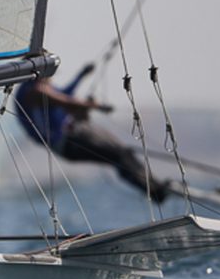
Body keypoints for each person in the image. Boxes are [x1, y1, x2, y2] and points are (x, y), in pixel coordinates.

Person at [14, 63, 169, 202]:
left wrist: (81, 75)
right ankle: (155, 191)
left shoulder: (39, 89)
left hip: (72, 138)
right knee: (119, 156)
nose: (52, 78)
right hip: (68, 143)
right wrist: (95, 106)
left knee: (124, 153)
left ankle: (154, 185)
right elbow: (67, 102)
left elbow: (66, 94)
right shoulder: (33, 91)